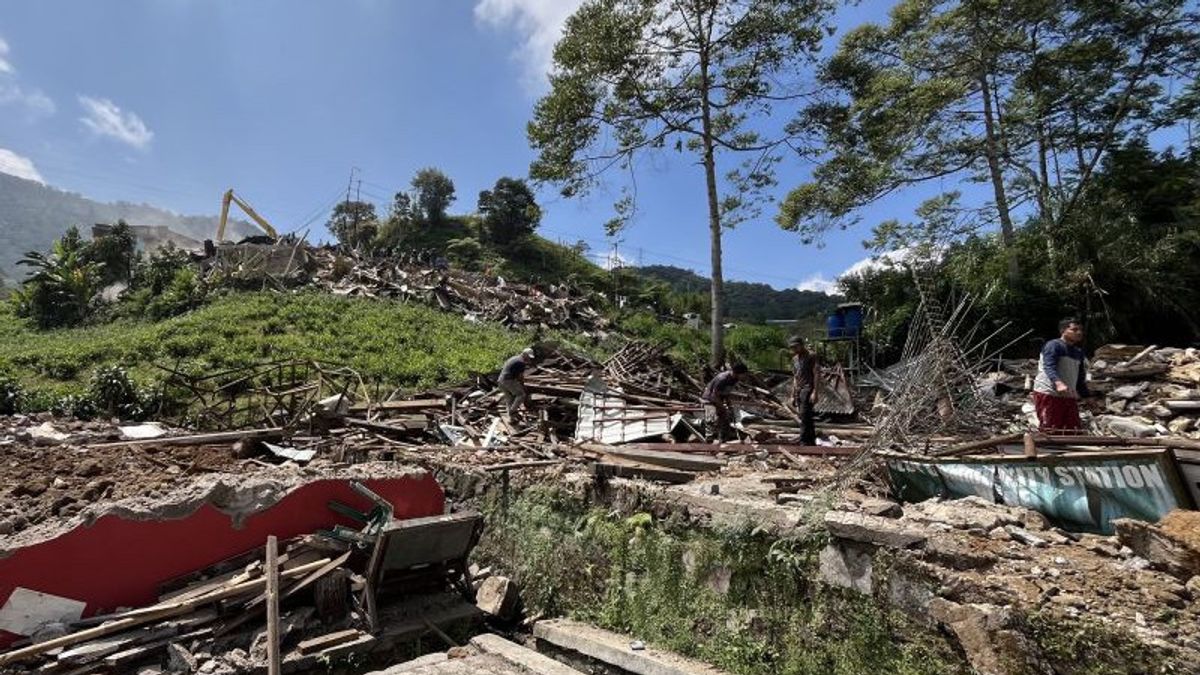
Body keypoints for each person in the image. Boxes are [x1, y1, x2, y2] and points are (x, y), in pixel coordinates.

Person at [1032, 318, 1090, 433]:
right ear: (1063, 330)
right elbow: (1048, 367)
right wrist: (1058, 383)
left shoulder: (1078, 353)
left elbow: (1079, 378)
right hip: (1049, 393)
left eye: (1080, 330)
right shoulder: (1053, 345)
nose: (1079, 332)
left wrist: (1087, 397)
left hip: (1068, 396)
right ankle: (1046, 450)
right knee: (1050, 429)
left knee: (1073, 430)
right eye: (1074, 329)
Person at [702, 363, 749, 442]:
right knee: (711, 418)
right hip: (709, 399)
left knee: (726, 418)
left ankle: (723, 440)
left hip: (719, 399)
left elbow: (726, 393)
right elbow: (714, 395)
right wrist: (722, 407)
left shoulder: (734, 379)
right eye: (743, 374)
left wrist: (729, 405)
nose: (745, 376)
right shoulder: (722, 379)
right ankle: (709, 441)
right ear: (738, 372)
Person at [788, 336, 819, 445]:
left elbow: (816, 374)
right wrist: (792, 394)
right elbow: (795, 378)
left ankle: (803, 441)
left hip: (808, 388)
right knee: (806, 416)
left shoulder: (811, 356)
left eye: (796, 346)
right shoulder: (795, 359)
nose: (794, 349)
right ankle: (811, 441)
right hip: (799, 389)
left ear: (801, 345)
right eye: (792, 347)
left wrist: (815, 392)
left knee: (804, 415)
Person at [498, 347, 536, 419]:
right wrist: (523, 386)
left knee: (510, 399)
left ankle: (511, 418)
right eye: (528, 357)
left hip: (500, 380)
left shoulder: (514, 358)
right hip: (508, 381)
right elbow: (520, 377)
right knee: (521, 395)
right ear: (524, 354)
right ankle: (512, 411)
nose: (529, 359)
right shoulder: (521, 362)